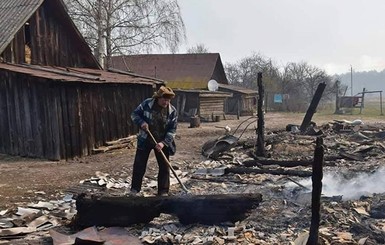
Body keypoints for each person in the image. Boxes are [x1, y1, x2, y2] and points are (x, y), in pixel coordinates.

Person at [129, 86, 177, 196]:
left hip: (162, 141)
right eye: (164, 99)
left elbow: (172, 129)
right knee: (139, 165)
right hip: (145, 139)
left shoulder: (172, 111)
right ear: (158, 98)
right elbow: (134, 114)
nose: (166, 102)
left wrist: (163, 143)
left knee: (165, 166)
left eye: (168, 100)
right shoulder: (147, 104)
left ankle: (163, 191)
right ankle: (135, 190)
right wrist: (141, 122)